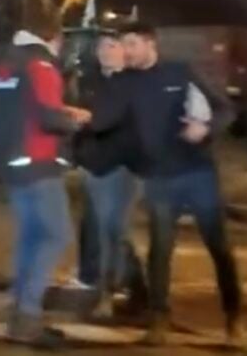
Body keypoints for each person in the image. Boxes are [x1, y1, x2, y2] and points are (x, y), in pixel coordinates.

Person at [89, 22, 242, 345]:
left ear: (150, 44)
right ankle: (159, 319)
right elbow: (103, 122)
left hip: (198, 172)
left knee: (218, 247)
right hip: (159, 176)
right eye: (123, 45)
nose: (126, 52)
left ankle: (233, 318)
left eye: (131, 44)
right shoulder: (124, 82)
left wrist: (207, 129)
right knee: (160, 250)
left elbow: (226, 109)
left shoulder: (181, 71)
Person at [0, 2, 91, 347]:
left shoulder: (5, 63)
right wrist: (75, 120)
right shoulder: (41, 65)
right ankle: (28, 316)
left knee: (31, 238)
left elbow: (20, 109)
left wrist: (59, 111)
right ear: (54, 37)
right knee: (55, 236)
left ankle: (20, 314)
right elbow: (48, 117)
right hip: (39, 162)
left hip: (11, 162)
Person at [71, 31, 147, 322]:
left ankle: (107, 293)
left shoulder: (135, 82)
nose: (105, 51)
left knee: (113, 229)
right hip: (95, 164)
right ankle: (135, 287)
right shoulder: (88, 82)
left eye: (112, 46)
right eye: (101, 46)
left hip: (126, 167)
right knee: (103, 229)